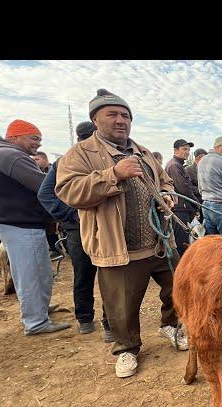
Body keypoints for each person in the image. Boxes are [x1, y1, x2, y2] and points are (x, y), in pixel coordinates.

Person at [56, 89, 187, 379]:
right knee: (121, 304)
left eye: (125, 115)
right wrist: (113, 174)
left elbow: (164, 180)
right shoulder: (79, 154)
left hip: (159, 242)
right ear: (95, 119)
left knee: (177, 288)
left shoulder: (142, 151)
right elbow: (68, 191)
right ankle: (126, 348)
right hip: (119, 248)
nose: (120, 121)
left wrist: (167, 194)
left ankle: (171, 325)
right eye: (112, 114)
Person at [0, 119, 71, 336]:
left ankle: (39, 309)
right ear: (15, 136)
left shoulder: (3, 154)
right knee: (30, 272)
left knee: (39, 269)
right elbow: (45, 185)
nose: (37, 144)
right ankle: (36, 322)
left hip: (16, 221)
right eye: (33, 138)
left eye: (39, 139)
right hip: (21, 222)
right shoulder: (11, 156)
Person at [38, 121, 113, 340]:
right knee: (89, 274)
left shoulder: (103, 158)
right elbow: (46, 195)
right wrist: (75, 215)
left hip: (104, 227)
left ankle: (102, 322)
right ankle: (88, 319)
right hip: (80, 229)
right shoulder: (66, 161)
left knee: (106, 274)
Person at [165, 139, 200, 257]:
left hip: (182, 209)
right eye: (184, 149)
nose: (187, 152)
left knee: (184, 242)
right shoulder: (174, 166)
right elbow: (183, 189)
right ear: (176, 150)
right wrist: (197, 204)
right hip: (180, 210)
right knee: (181, 244)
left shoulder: (177, 165)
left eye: (189, 150)